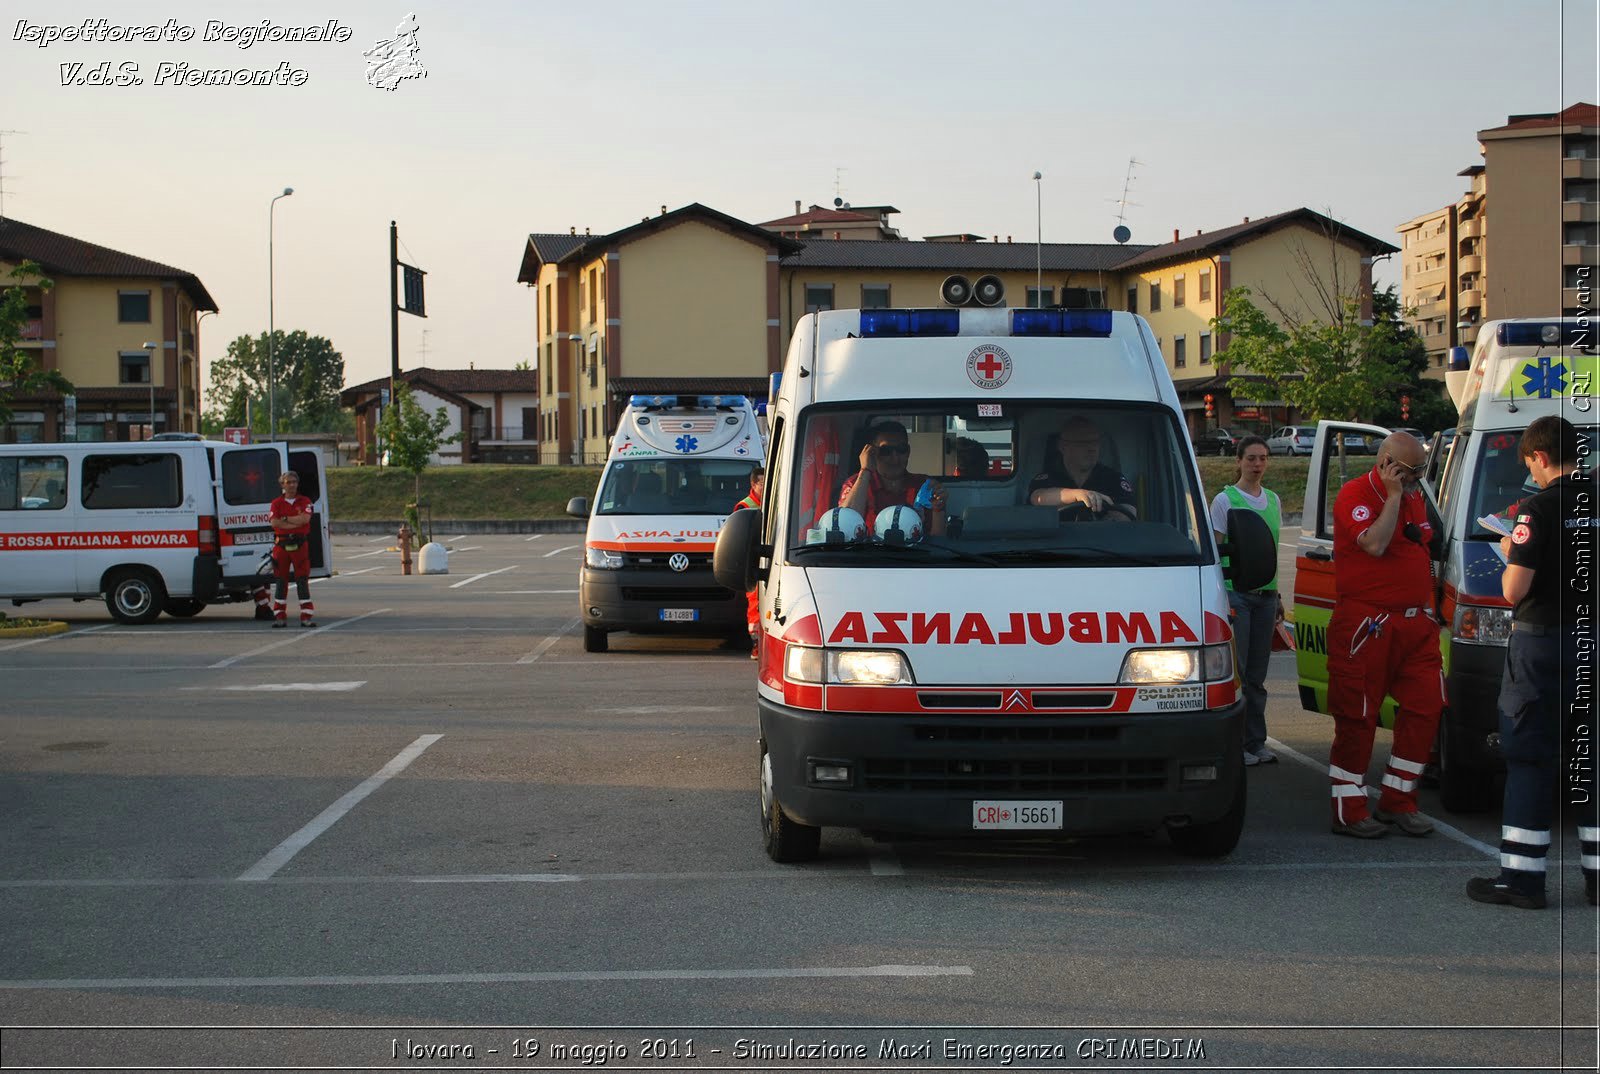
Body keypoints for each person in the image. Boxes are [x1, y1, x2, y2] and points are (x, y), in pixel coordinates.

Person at [1468, 416, 1598, 909]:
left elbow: (1513, 589)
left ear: (1539, 457)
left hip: (1542, 644)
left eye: (1530, 465)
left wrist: (1509, 548)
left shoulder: (1535, 510)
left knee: (1529, 758)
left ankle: (1522, 880)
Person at [1326, 432, 1441, 838]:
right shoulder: (1355, 495)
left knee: (1427, 707)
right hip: (1367, 623)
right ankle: (1350, 809)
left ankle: (1398, 799)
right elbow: (1374, 544)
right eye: (1413, 471)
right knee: (1358, 715)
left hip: (1415, 625)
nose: (1419, 479)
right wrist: (1393, 496)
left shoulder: (1414, 495)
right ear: (1388, 464)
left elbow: (1422, 542)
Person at [1210, 435, 1283, 767]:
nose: (1257, 464)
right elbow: (1216, 551)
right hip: (1237, 594)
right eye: (1251, 458)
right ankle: (1236, 744)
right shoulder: (1224, 501)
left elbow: (1272, 553)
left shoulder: (1273, 500)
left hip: (1266, 597)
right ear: (1238, 461)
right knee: (1237, 674)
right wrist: (1222, 596)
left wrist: (1278, 594)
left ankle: (1256, 742)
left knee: (1257, 675)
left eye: (1263, 458)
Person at [839, 420, 947, 536]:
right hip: (868, 553)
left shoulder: (924, 486)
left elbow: (938, 541)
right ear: (872, 453)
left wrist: (938, 509)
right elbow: (845, 527)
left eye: (901, 450)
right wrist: (865, 471)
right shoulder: (855, 484)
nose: (895, 458)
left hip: (915, 553)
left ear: (908, 452)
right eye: (886, 451)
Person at [1027, 415, 1136, 520]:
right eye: (1084, 443)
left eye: (1095, 442)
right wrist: (1078, 495)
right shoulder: (1047, 478)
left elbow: (1129, 509)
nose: (1092, 448)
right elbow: (1038, 498)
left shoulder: (1113, 478)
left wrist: (1113, 519)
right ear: (1063, 446)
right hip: (1058, 538)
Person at [268, 470, 317, 628]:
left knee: (302, 579)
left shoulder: (304, 501)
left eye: (294, 482)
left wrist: (285, 519)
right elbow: (274, 523)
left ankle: (306, 616)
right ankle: (279, 616)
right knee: (281, 580)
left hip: (300, 545)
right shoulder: (276, 503)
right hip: (281, 546)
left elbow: (305, 519)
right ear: (282, 484)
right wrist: (294, 524)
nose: (291, 485)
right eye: (288, 482)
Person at [735, 465, 764, 659]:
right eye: (762, 483)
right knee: (755, 606)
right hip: (754, 563)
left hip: (769, 559)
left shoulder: (772, 502)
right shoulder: (744, 506)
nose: (766, 486)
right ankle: (756, 645)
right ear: (754, 484)